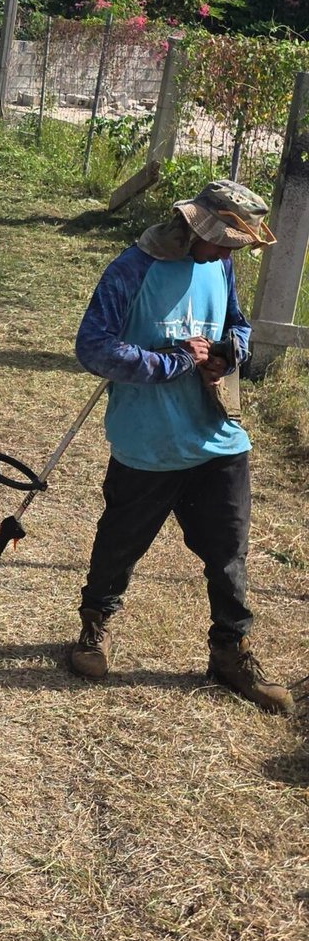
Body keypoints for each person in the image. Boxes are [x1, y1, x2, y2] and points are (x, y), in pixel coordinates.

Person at [70, 178, 292, 714]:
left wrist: (225, 352)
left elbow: (236, 324)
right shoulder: (133, 268)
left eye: (234, 247)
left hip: (218, 438)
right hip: (148, 444)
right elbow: (94, 348)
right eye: (222, 242)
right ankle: (93, 629)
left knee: (228, 553)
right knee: (120, 545)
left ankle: (230, 655)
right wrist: (173, 361)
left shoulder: (220, 264)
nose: (226, 253)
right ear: (193, 227)